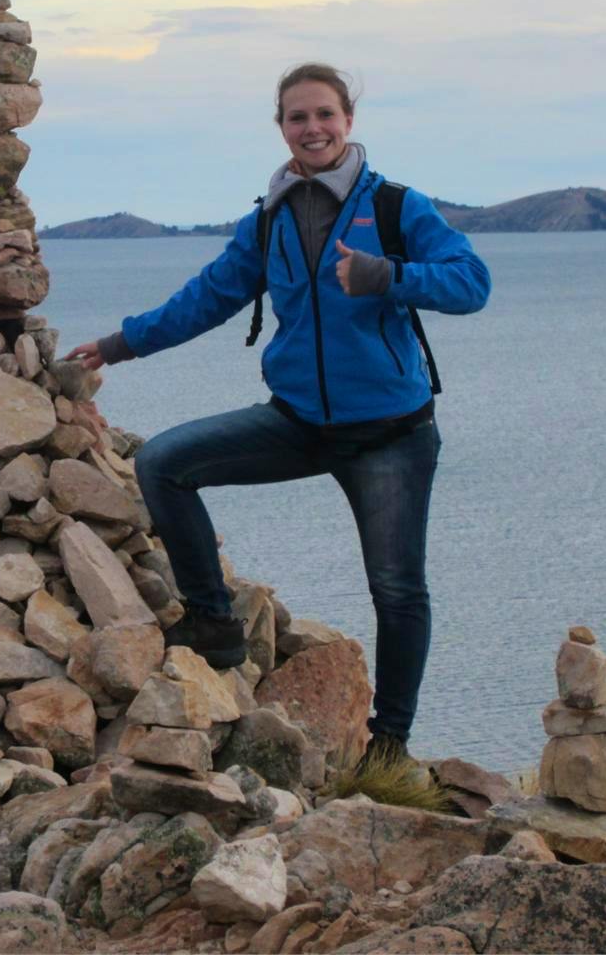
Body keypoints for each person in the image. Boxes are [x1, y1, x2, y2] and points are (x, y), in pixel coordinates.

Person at [65, 63, 490, 764]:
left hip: (390, 435)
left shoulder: (396, 208)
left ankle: (390, 745)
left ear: (348, 122)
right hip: (297, 422)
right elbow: (208, 297)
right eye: (298, 117)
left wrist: (387, 276)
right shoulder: (268, 221)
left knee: (397, 588)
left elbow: (472, 283)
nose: (313, 128)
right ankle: (213, 623)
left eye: (325, 114)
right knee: (164, 462)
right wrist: (121, 344)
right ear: (282, 128)